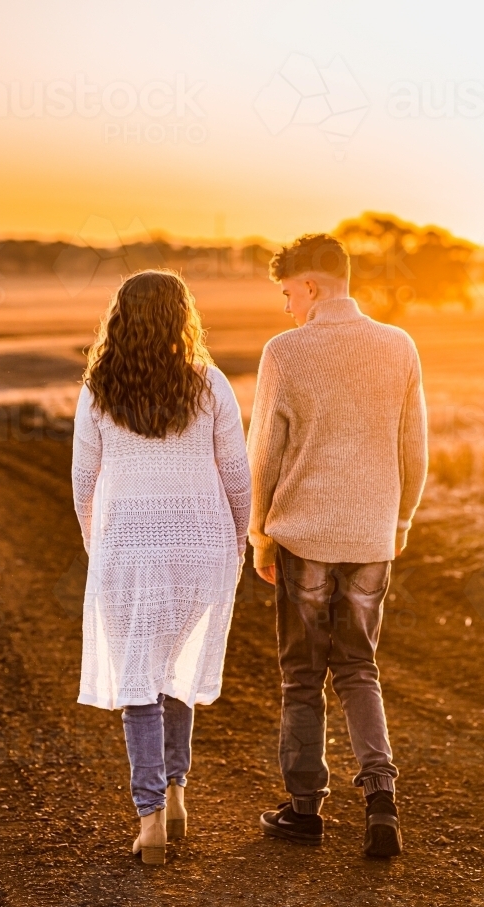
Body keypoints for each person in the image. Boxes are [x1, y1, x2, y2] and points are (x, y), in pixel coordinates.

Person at [247, 233, 428, 857]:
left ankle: (305, 812)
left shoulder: (286, 352)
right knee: (358, 668)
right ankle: (381, 800)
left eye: (289, 293)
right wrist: (398, 523)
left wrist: (259, 535)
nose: (287, 307)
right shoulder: (399, 345)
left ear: (314, 287)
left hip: (305, 538)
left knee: (303, 676)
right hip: (371, 537)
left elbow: (263, 454)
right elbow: (415, 450)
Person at [71, 270, 250, 864]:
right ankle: (177, 793)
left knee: (138, 682)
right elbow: (236, 475)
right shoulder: (211, 382)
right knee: (176, 669)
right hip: (200, 546)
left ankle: (149, 820)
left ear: (120, 317)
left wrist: (99, 544)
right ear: (183, 316)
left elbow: (82, 483)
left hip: (127, 546)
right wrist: (240, 539)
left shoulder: (100, 386)